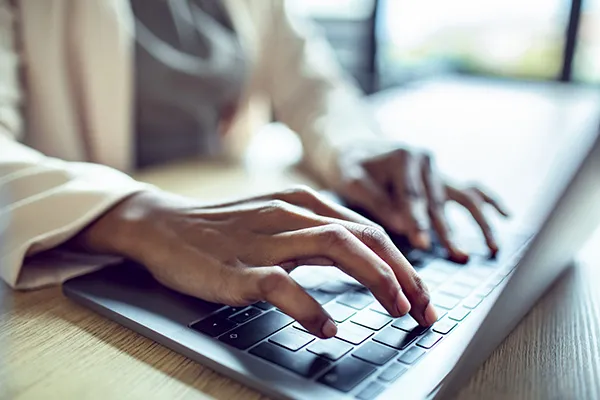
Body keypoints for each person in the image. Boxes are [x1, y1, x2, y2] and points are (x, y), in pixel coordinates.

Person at [0, 0, 507, 339]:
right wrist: (141, 218)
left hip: (221, 213)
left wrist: (356, 148)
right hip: (70, 274)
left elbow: (313, 86)